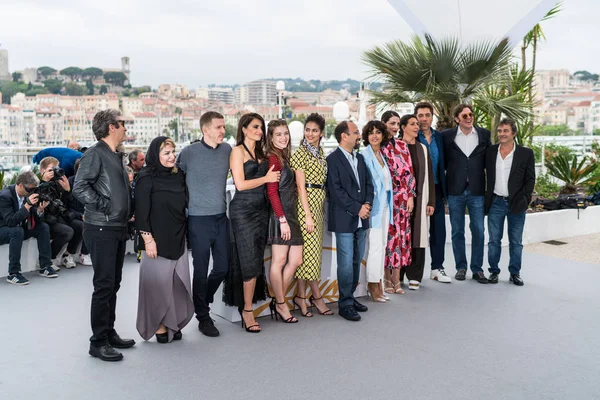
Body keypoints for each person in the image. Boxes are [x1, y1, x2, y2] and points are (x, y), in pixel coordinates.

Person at [73, 109, 135, 362]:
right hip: (101, 227)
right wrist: (106, 205)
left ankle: (108, 333)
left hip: (117, 227)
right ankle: (97, 342)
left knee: (113, 283)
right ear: (111, 127)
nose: (125, 128)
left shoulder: (115, 155)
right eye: (123, 124)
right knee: (104, 285)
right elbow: (79, 186)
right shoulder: (94, 153)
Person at [222, 113, 280, 333]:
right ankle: (247, 310)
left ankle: (248, 306)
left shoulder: (262, 153)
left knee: (256, 260)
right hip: (243, 212)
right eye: (255, 127)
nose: (259, 131)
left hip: (261, 212)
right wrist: (266, 179)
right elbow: (240, 184)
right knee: (248, 261)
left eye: (261, 128)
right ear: (244, 129)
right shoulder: (236, 152)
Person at [177, 111, 232, 337]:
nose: (223, 131)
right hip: (198, 220)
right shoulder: (188, 153)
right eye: (219, 127)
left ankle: (203, 297)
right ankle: (203, 316)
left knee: (223, 267)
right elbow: (174, 180)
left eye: (223, 126)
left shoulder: (228, 150)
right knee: (200, 270)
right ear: (205, 130)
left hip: (221, 217)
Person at [135, 136, 194, 343]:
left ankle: (173, 322)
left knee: (177, 283)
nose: (172, 157)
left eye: (173, 152)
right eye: (166, 153)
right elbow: (141, 211)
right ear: (155, 155)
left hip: (178, 236)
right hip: (156, 240)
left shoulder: (178, 176)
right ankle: (159, 324)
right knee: (157, 285)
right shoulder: (145, 177)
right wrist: (148, 240)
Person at [327, 121, 374, 322]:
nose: (358, 135)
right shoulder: (332, 159)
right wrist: (358, 208)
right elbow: (336, 191)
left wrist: (368, 205)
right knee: (345, 263)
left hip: (361, 220)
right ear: (344, 136)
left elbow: (369, 185)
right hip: (345, 219)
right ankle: (344, 304)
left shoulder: (360, 158)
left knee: (356, 261)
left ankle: (351, 296)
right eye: (355, 132)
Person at [442, 104, 491, 283]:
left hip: (477, 190)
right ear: (457, 119)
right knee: (457, 231)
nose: (469, 118)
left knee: (478, 230)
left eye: (471, 114)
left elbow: (490, 161)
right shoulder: (447, 136)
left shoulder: (484, 135)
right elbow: (443, 162)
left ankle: (477, 269)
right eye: (464, 116)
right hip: (455, 190)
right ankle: (461, 267)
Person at [291, 113, 332, 317]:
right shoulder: (300, 153)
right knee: (309, 254)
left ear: (321, 133)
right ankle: (315, 296)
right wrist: (307, 214)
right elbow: (300, 186)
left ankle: (301, 296)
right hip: (305, 204)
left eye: (314, 130)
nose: (310, 133)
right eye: (307, 129)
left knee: (311, 254)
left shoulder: (320, 152)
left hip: (318, 203)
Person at [485, 119, 535, 286]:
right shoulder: (491, 152)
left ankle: (515, 273)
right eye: (499, 131)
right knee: (493, 240)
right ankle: (493, 271)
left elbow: (530, 179)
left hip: (516, 203)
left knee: (516, 242)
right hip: (496, 202)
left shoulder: (526, 153)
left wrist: (525, 199)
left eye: (505, 131)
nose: (502, 134)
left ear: (513, 133)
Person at [265, 120, 302, 323]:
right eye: (278, 134)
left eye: (285, 133)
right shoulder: (273, 158)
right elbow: (272, 192)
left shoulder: (285, 156)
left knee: (295, 260)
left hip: (292, 214)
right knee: (278, 261)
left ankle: (277, 299)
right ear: (270, 137)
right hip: (280, 216)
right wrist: (282, 220)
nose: (283, 138)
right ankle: (281, 304)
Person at [415, 102, 451, 283]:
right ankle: (412, 272)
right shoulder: (411, 136)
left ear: (432, 116)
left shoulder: (439, 137)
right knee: (415, 231)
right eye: (420, 115)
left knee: (439, 230)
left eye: (427, 115)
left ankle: (437, 268)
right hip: (417, 192)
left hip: (436, 189)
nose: (423, 119)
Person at [380, 110, 415, 294]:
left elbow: (409, 172)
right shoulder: (378, 147)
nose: (394, 127)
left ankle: (397, 279)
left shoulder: (402, 146)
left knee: (401, 239)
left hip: (402, 200)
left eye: (397, 124)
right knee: (388, 239)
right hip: (386, 199)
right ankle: (386, 279)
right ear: (384, 124)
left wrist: (410, 196)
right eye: (391, 123)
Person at [1, 171, 57, 284]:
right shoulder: (4, 196)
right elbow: (10, 221)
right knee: (17, 231)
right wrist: (27, 206)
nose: (31, 192)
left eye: (33, 190)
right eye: (29, 190)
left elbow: (35, 220)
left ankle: (45, 266)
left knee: (43, 227)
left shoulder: (28, 195)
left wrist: (40, 210)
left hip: (18, 228)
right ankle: (13, 273)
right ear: (20, 185)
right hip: (3, 229)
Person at [401, 115, 435, 290]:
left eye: (417, 124)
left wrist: (431, 202)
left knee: (418, 235)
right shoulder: (397, 147)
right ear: (403, 127)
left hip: (421, 199)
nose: (416, 126)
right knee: (401, 236)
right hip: (401, 200)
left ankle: (415, 275)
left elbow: (429, 175)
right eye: (412, 124)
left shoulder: (423, 148)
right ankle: (397, 275)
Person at [361, 121, 393, 302]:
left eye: (378, 132)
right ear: (366, 136)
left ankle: (379, 282)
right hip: (374, 207)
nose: (375, 135)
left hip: (386, 206)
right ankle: (373, 285)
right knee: (374, 247)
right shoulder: (364, 155)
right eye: (371, 133)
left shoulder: (382, 154)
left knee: (382, 246)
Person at [38, 156, 83, 270]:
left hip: (59, 216)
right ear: (43, 171)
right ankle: (48, 259)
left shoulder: (57, 183)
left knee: (81, 226)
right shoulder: (38, 184)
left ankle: (67, 255)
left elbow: (67, 203)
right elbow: (42, 201)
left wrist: (67, 190)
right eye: (51, 169)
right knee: (67, 232)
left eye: (56, 169)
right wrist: (44, 182)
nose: (55, 172)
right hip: (46, 218)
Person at [66, 159, 92, 266]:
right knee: (84, 226)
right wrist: (81, 216)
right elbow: (67, 206)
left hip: (86, 214)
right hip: (71, 215)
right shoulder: (69, 183)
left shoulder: (90, 183)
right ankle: (72, 254)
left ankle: (89, 253)